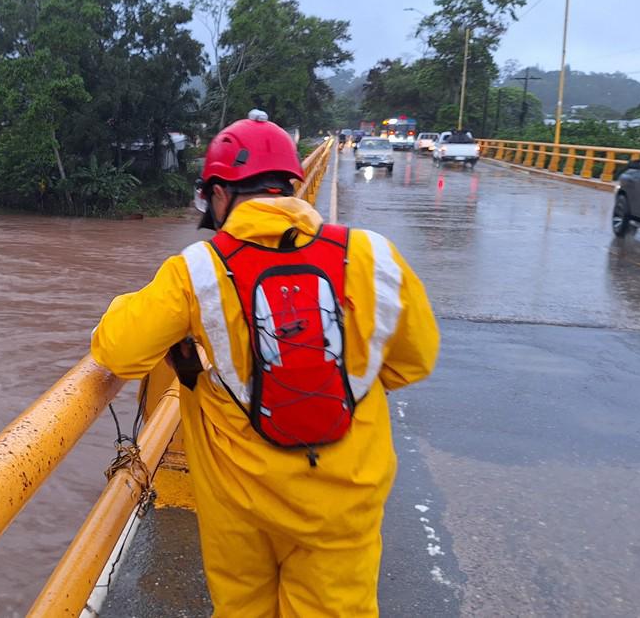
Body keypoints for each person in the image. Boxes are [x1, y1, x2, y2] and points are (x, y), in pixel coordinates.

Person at [90, 110, 439, 617]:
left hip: (240, 505)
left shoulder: (196, 272)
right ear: (295, 184)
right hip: (345, 502)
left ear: (218, 194)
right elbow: (414, 362)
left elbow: (118, 351)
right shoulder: (373, 256)